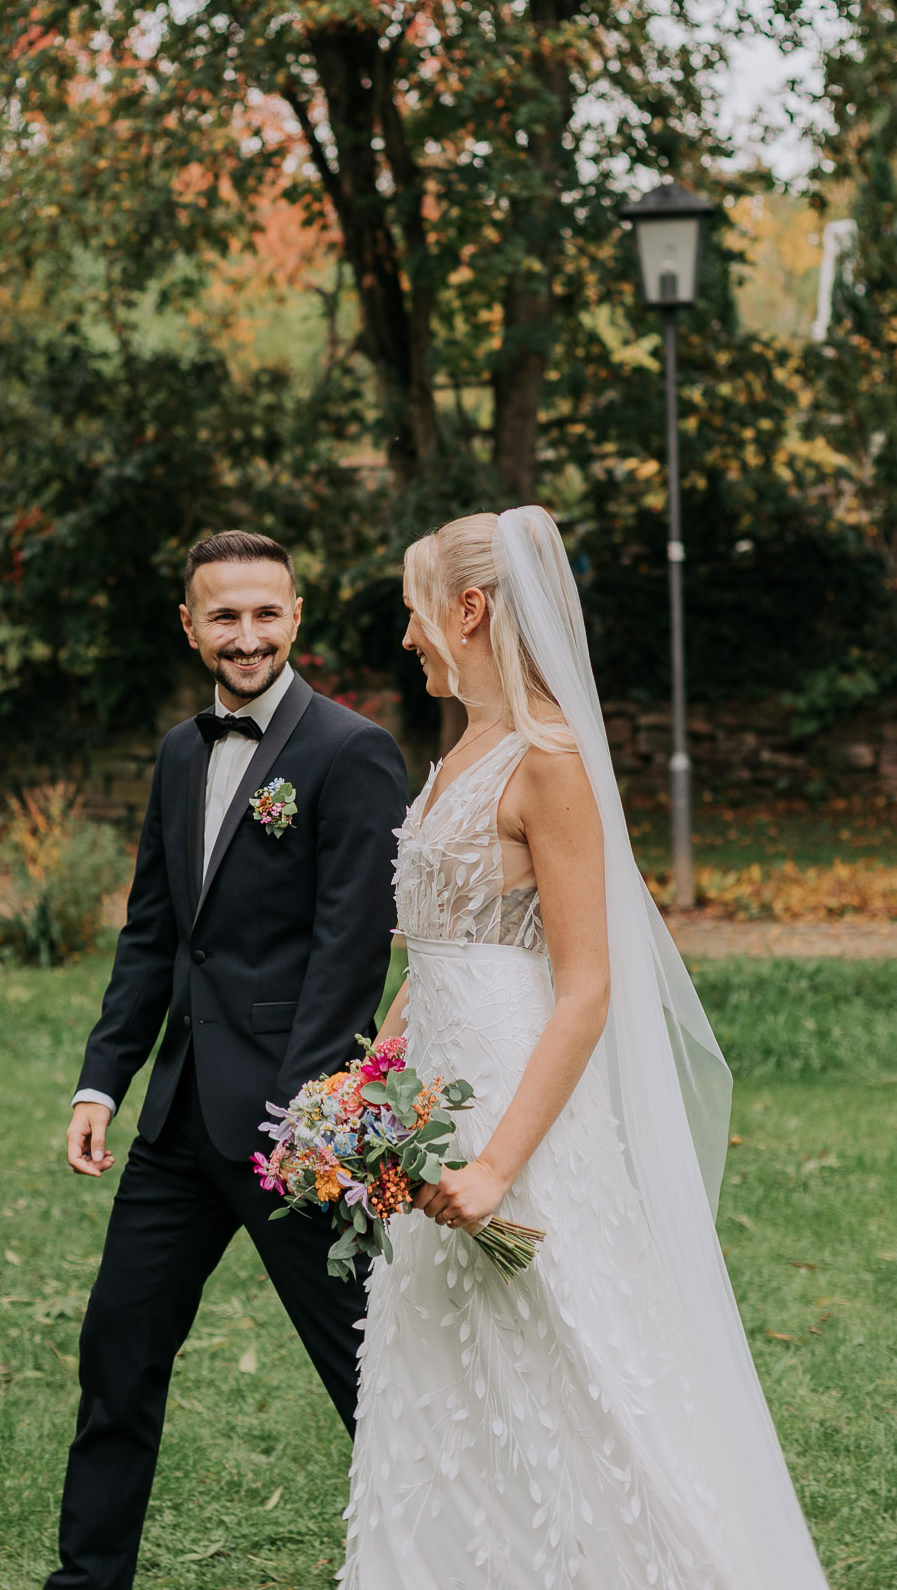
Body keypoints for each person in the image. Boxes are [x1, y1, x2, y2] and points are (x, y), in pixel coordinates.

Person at [340, 506, 830, 1590]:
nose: (406, 633)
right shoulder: (455, 751)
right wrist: (366, 1101)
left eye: (415, 609)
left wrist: (495, 1164)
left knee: (579, 1364)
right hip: (428, 1109)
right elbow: (428, 955)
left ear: (466, 609)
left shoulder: (549, 759)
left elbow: (587, 989)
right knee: (449, 1369)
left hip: (520, 1108)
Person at [44, 529, 409, 1590]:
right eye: (222, 615)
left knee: (365, 1367)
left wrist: (300, 1124)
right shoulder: (174, 752)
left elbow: (348, 953)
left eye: (263, 613)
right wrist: (101, 1079)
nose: (243, 635)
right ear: (190, 624)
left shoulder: (352, 751)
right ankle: (86, 1579)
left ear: (295, 614)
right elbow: (154, 935)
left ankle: (442, 1556)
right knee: (116, 1348)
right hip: (173, 1123)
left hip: (290, 1136)